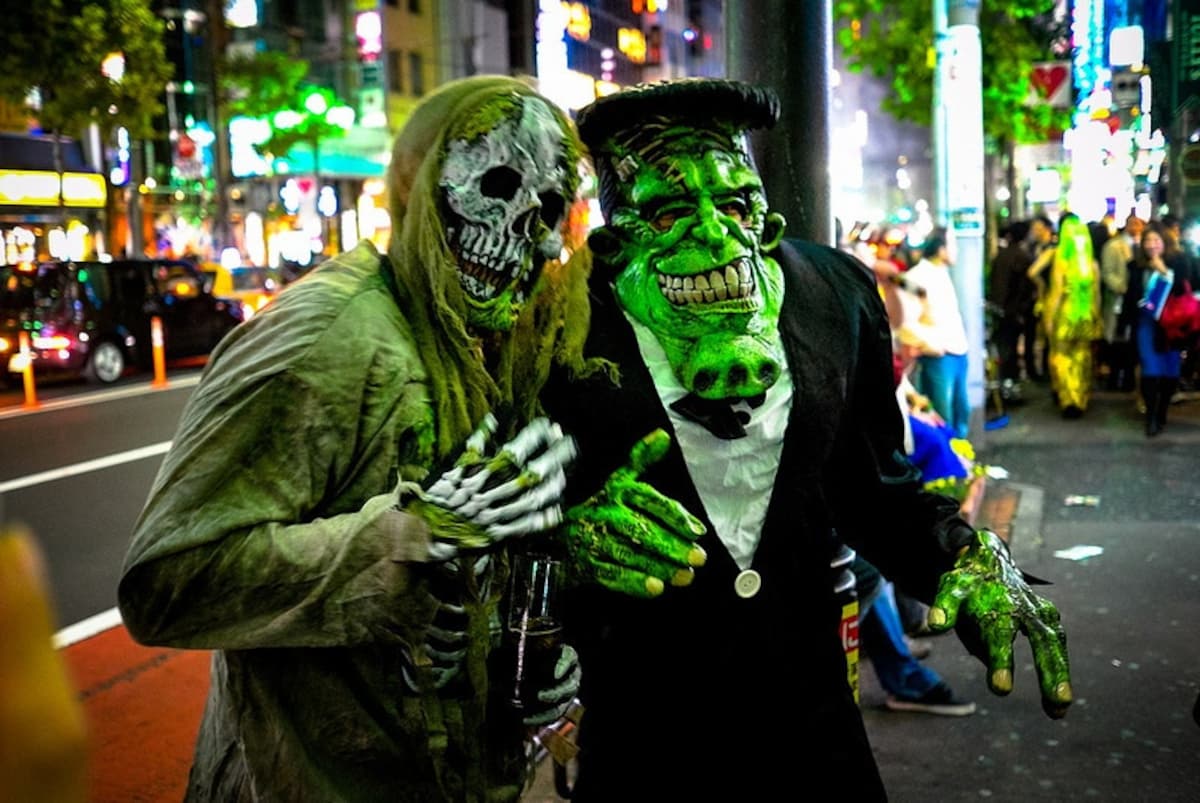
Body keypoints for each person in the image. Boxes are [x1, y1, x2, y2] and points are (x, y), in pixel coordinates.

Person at [540, 78, 1073, 801]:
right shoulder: (557, 325)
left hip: (813, 730)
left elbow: (871, 489)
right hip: (646, 738)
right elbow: (500, 524)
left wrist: (964, 559)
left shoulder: (834, 295)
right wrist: (564, 542)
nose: (712, 232)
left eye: (732, 204)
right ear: (614, 237)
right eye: (666, 210)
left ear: (763, 218)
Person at [117, 76, 592, 802]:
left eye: (551, 208)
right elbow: (167, 582)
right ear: (420, 189)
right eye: (495, 187)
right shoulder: (330, 336)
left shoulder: (479, 335)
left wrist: (518, 662)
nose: (525, 232)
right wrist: (401, 538)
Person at [897, 231, 971, 438]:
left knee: (961, 410)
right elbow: (903, 321)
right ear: (941, 249)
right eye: (953, 245)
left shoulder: (942, 273)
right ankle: (946, 466)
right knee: (941, 415)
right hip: (939, 356)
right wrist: (931, 344)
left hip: (958, 352)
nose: (956, 250)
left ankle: (960, 461)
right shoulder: (915, 277)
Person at [1029, 212, 1102, 418]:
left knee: (1061, 356)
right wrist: (1097, 318)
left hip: (1064, 315)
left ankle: (1067, 399)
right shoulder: (1091, 263)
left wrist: (1049, 315)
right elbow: (1097, 295)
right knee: (1082, 356)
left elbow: (1055, 291)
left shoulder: (1058, 257)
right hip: (1086, 315)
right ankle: (1081, 397)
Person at [1121, 225, 1187, 436]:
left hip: (1171, 327)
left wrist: (1164, 271)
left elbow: (1183, 292)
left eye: (1156, 240)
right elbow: (1130, 298)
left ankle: (1162, 410)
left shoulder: (1179, 263)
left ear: (1165, 242)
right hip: (1146, 326)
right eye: (1147, 241)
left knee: (1171, 373)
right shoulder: (1135, 266)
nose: (1151, 245)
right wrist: (1125, 325)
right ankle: (1150, 417)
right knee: (1150, 370)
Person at [988, 220, 1036, 394]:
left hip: (1000, 309)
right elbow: (1025, 286)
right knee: (1013, 348)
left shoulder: (1000, 256)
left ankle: (1005, 382)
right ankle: (1011, 384)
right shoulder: (1023, 256)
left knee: (1004, 348)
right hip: (1014, 310)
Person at [1099, 214, 1145, 391]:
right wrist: (1122, 287)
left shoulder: (1144, 245)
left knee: (1132, 341)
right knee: (1117, 339)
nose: (1136, 227)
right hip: (1119, 299)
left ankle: (1128, 379)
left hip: (1137, 302)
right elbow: (1107, 272)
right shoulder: (1113, 246)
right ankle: (1114, 377)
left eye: (1139, 224)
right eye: (1132, 223)